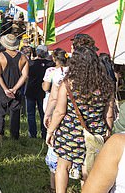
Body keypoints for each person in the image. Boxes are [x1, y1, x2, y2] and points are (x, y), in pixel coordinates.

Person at [47, 45, 115, 191]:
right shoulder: (107, 85)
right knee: (88, 169)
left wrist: (50, 131)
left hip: (70, 132)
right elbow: (109, 114)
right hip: (96, 132)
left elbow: (59, 111)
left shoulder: (68, 84)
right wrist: (108, 132)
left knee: (63, 166)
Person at [0, 34, 29, 140]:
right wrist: (15, 89)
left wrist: (5, 88)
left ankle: (0, 133)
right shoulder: (23, 58)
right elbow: (24, 75)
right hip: (16, 88)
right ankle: (14, 136)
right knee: (15, 112)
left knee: (0, 111)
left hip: (1, 87)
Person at [25, 45, 53, 139]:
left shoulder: (31, 63)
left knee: (31, 113)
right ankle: (44, 133)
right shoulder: (50, 64)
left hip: (31, 90)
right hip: (43, 91)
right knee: (43, 113)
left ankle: (32, 133)